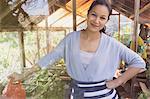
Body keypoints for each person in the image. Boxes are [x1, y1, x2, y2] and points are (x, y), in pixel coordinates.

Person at [9, 0, 146, 98]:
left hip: (105, 95)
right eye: (94, 15)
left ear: (106, 21)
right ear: (88, 14)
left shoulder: (111, 44)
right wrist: (23, 75)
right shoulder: (71, 39)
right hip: (78, 94)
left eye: (102, 18)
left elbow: (139, 62)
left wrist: (119, 81)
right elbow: (50, 58)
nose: (96, 21)